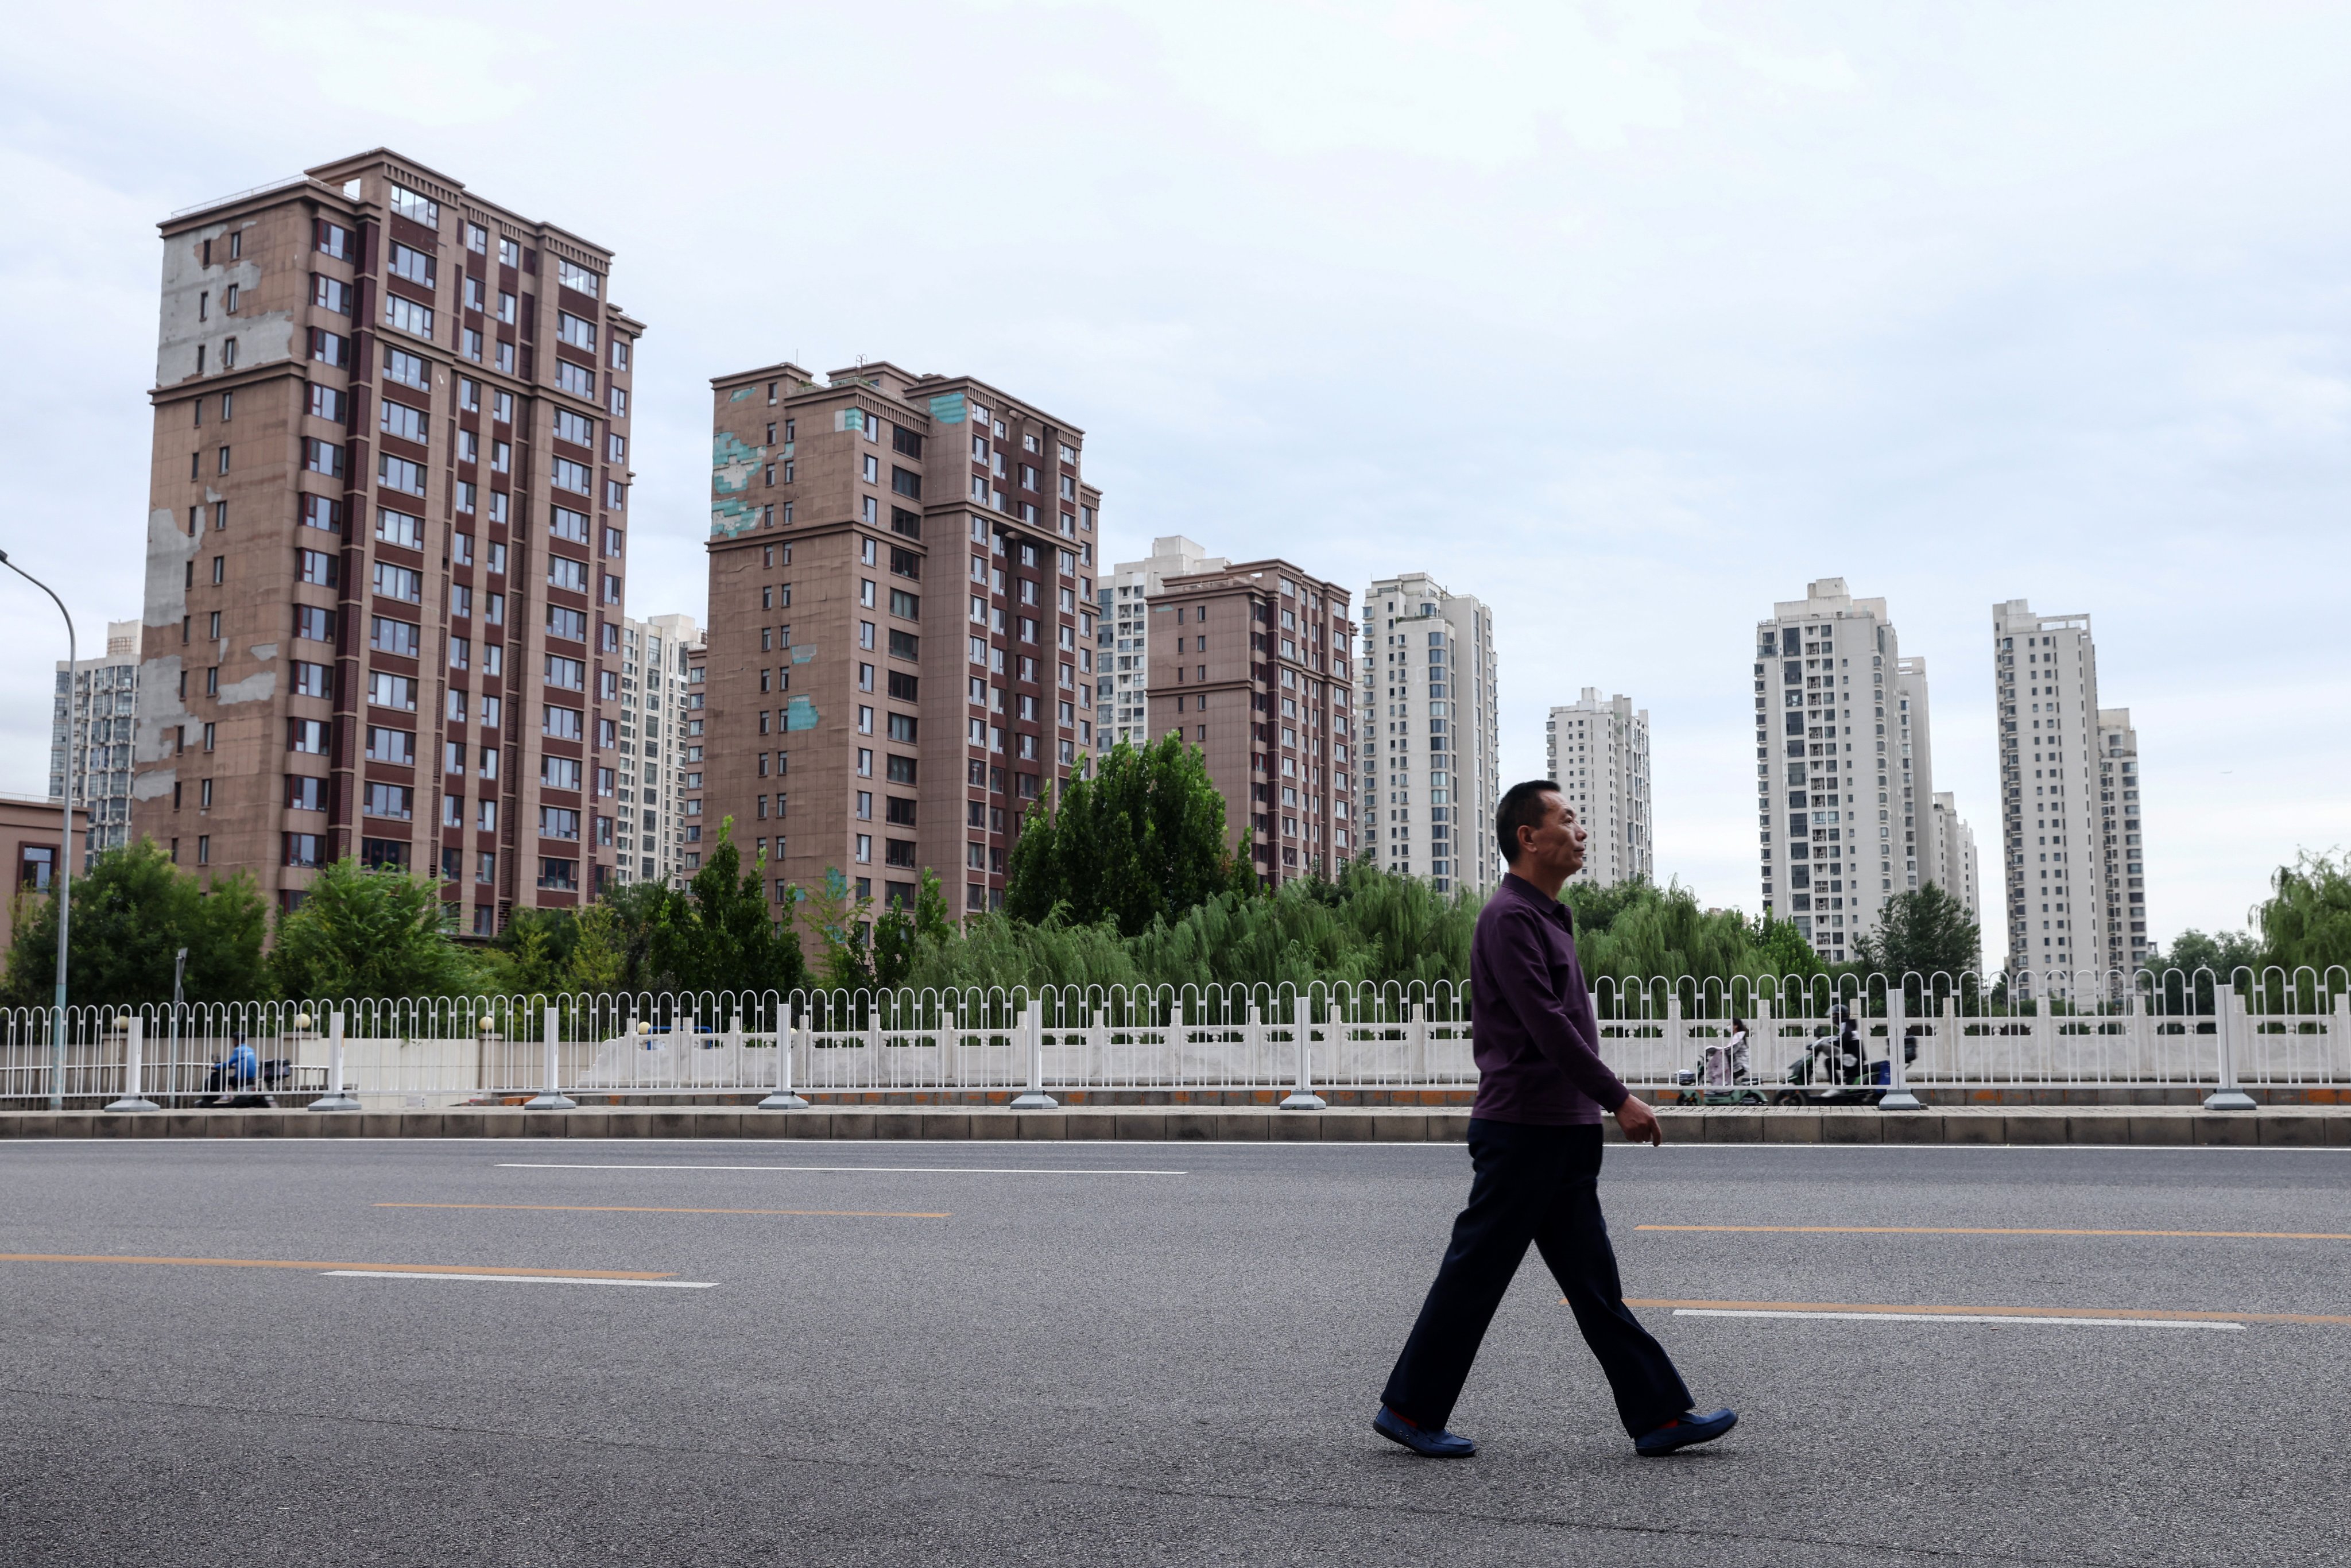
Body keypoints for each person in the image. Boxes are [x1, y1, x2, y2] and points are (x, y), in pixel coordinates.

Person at [1374, 780, 1736, 1460]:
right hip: (1524, 1130)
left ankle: (1659, 1415)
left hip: (1561, 1131)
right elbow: (1548, 1026)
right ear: (1528, 838)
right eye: (1567, 820)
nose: (1581, 832)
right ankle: (1408, 1408)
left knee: (1594, 1286)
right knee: (1475, 1275)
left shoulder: (1547, 916)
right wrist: (1618, 1097)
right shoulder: (1509, 918)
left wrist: (1592, 1108)